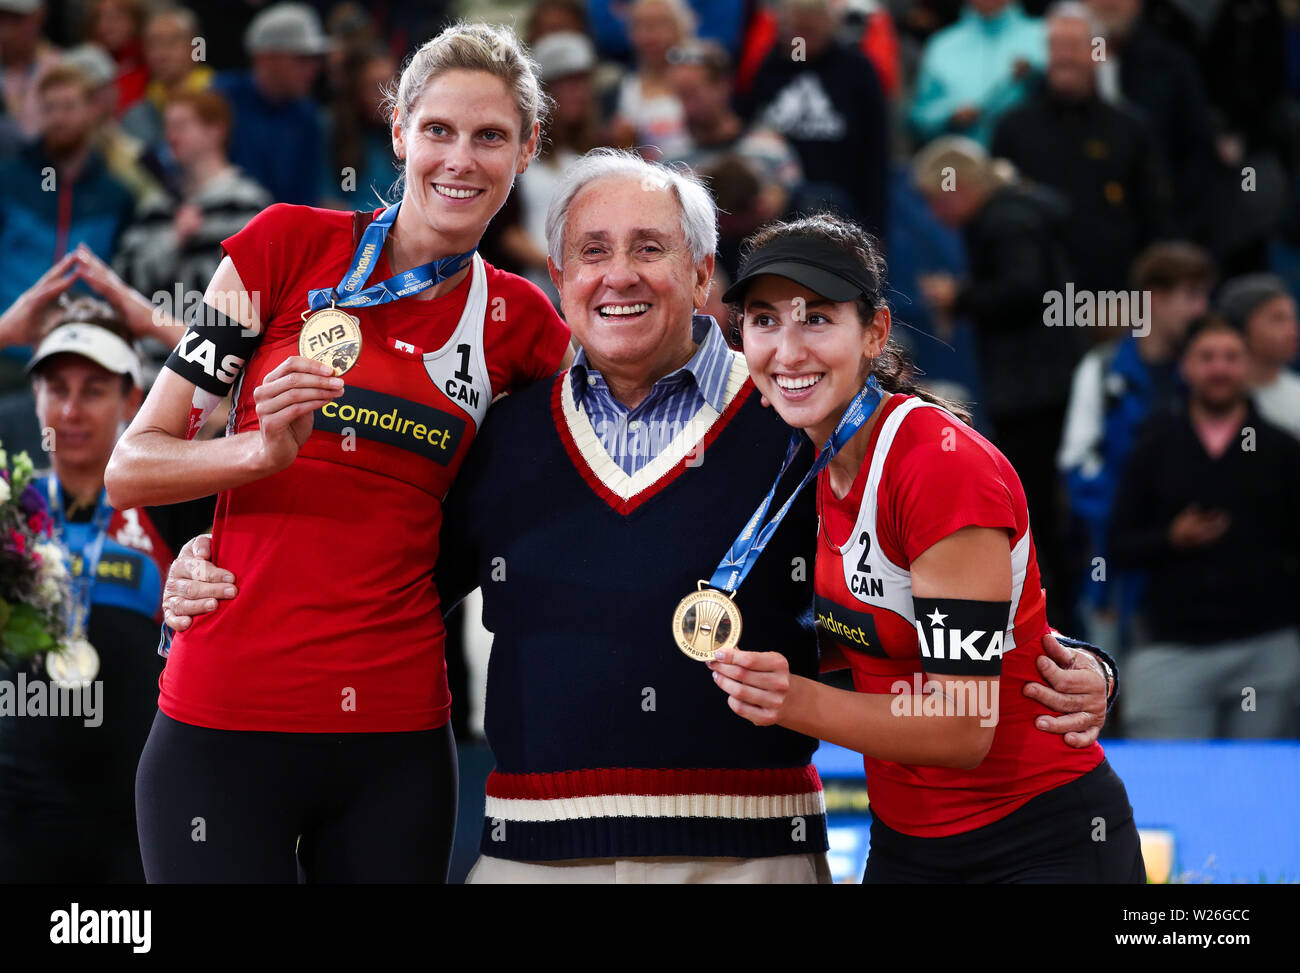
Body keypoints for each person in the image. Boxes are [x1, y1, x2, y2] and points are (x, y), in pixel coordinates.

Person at [164, 148, 1117, 884]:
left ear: (703, 279)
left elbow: (950, 607)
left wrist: (1076, 660)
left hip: (760, 856)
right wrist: (206, 554)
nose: (619, 275)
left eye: (650, 249)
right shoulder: (502, 429)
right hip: (532, 852)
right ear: (558, 276)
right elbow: (382, 569)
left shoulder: (797, 424)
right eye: (593, 251)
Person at [105, 22, 573, 884]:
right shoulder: (284, 244)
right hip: (223, 714)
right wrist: (255, 454)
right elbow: (133, 463)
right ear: (398, 131)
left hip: (393, 734)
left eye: (490, 137)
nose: (460, 160)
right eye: (437, 130)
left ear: (525, 150)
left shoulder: (523, 323)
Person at [711, 211, 1143, 883]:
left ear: (875, 332)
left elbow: (960, 726)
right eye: (765, 321)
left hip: (1038, 840)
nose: (787, 351)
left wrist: (789, 699)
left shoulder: (936, 464)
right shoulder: (805, 451)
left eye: (817, 319)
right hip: (908, 844)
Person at [0, 287, 214, 882]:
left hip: (137, 808)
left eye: (93, 391)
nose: (71, 412)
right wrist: (5, 333)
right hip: (16, 808)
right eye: (56, 389)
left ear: (132, 399)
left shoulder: (173, 499)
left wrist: (145, 318)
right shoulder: (8, 503)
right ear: (34, 398)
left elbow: (251, 399)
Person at [1110, 314, 1300, 739]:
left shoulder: (1282, 451)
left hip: (1267, 648)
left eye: (1232, 357)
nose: (1220, 368)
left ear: (1248, 367)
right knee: (1167, 792)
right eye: (1207, 357)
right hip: (1172, 648)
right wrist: (1171, 539)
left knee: (1262, 792)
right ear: (1186, 367)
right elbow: (1116, 547)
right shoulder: (1152, 449)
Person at [1057, 241, 1214, 648]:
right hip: (1112, 566)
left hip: (1189, 561)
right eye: (1191, 296)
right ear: (1157, 299)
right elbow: (1077, 466)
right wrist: (1130, 524)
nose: (1201, 309)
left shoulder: (1206, 372)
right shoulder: (1103, 369)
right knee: (1101, 685)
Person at [990, 2, 1172, 295]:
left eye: (1074, 45)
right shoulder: (1013, 128)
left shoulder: (1130, 129)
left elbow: (1155, 216)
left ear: (1098, 52)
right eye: (1055, 46)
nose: (1064, 57)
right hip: (1036, 303)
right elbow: (998, 217)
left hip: (1114, 298)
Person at [114, 90, 270, 325]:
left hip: (219, 346)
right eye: (168, 127)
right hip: (152, 346)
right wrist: (173, 239)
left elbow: (256, 286)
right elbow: (124, 279)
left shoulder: (248, 203)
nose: (171, 137)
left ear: (215, 131)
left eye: (182, 126)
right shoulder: (156, 205)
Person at [743, 0, 890, 238]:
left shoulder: (857, 70)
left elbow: (876, 152)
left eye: (809, 31)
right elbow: (749, 131)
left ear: (830, 28)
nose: (800, 40)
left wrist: (875, 229)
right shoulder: (771, 67)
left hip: (842, 204)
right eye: (795, 31)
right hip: (779, 207)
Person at [212, 3, 330, 206]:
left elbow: (304, 201)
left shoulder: (309, 116)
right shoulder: (222, 98)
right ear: (266, 58)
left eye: (315, 60)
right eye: (302, 59)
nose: (313, 70)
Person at [908, 0, 1045, 148]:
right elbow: (917, 120)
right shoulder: (942, 45)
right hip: (958, 165)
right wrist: (948, 117)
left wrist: (1036, 76)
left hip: (1026, 160)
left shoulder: (1044, 35)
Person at [1216, 274, 1300, 441]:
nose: (1293, 331)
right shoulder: (1211, 398)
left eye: (1292, 318)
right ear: (1240, 327)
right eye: (1277, 319)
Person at [120, 6, 215, 153]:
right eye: (152, 44)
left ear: (197, 47)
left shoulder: (221, 96)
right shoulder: (135, 116)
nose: (161, 53)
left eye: (172, 41)